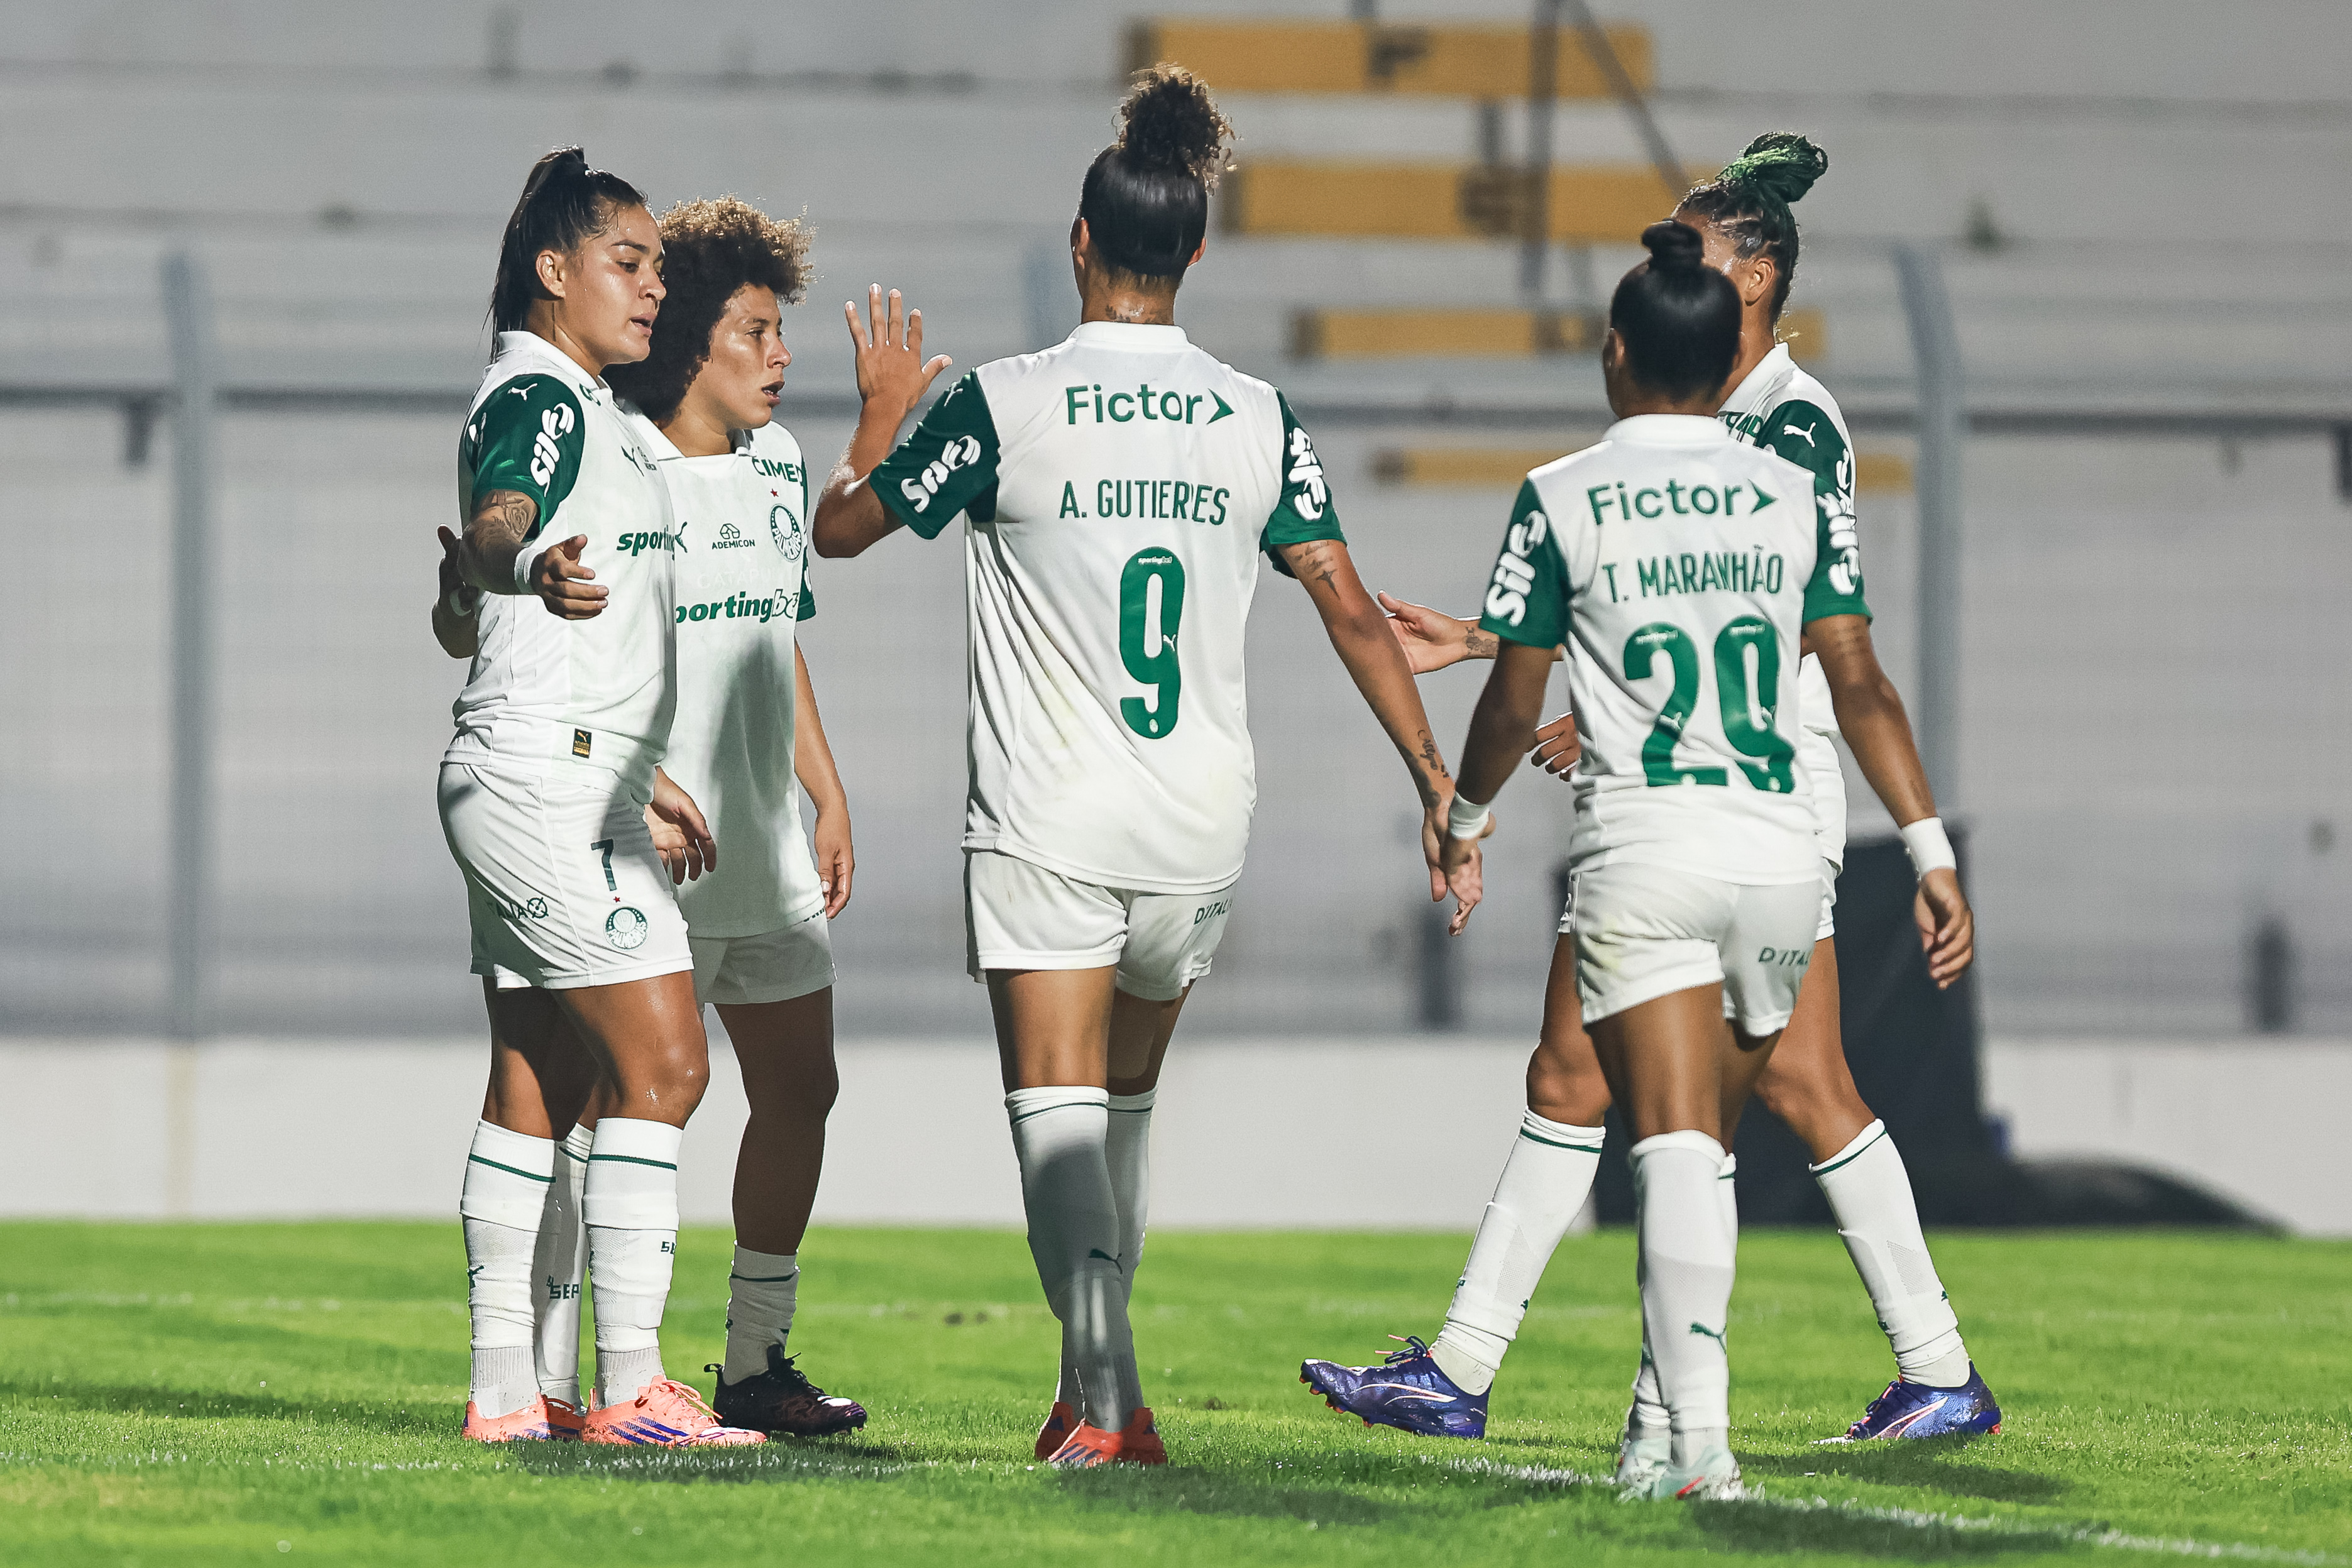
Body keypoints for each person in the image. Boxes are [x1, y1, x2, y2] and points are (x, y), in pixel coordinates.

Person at [810, 65, 1477, 1468]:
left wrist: (878, 419)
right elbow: (1351, 608)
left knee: (1055, 1112)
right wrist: (1436, 783)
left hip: (1050, 818)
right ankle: (1087, 1393)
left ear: (1078, 243)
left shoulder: (1003, 404)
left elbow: (844, 531)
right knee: (1123, 1110)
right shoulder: (1256, 415)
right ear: (1194, 254)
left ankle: (1110, 1400)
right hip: (1198, 825)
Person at [1307, 134, 1993, 1464]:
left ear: (1754, 278)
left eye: (1688, 252)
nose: (1665, 270)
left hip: (1737, 786)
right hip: (1730, 790)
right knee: (1650, 1079)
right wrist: (1489, 639)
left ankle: (1638, 1408)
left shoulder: (1791, 421)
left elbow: (1764, 622)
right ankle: (1877, 1374)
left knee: (1686, 1097)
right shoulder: (1714, 428)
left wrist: (1598, 708)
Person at [437, 197, 868, 1439]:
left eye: (654, 270)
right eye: (626, 264)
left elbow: (477, 603)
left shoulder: (597, 418)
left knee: (541, 1075)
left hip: (594, 776)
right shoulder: (552, 401)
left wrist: (654, 766)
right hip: (555, 782)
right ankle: (626, 1382)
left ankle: (516, 1392)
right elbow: (500, 524)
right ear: (554, 268)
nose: (647, 287)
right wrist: (513, 563)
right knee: (660, 1070)